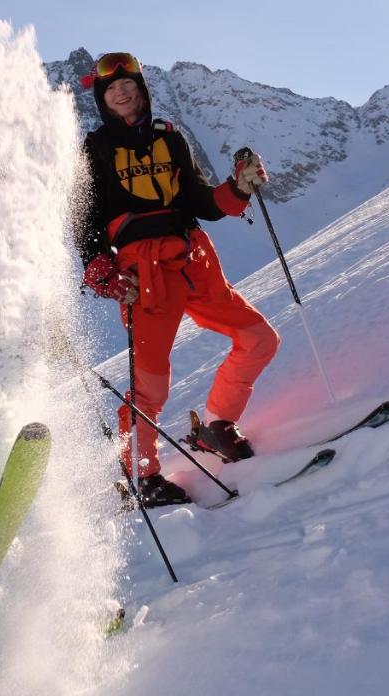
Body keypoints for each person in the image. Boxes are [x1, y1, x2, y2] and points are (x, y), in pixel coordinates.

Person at [76, 51, 280, 506]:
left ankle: (217, 427)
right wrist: (98, 267)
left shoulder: (170, 137)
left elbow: (201, 201)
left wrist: (239, 188)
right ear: (102, 100)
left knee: (259, 340)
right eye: (111, 89)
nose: (122, 92)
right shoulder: (92, 151)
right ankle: (142, 475)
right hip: (142, 273)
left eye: (128, 84)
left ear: (141, 89)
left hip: (193, 260)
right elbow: (83, 219)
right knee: (150, 388)